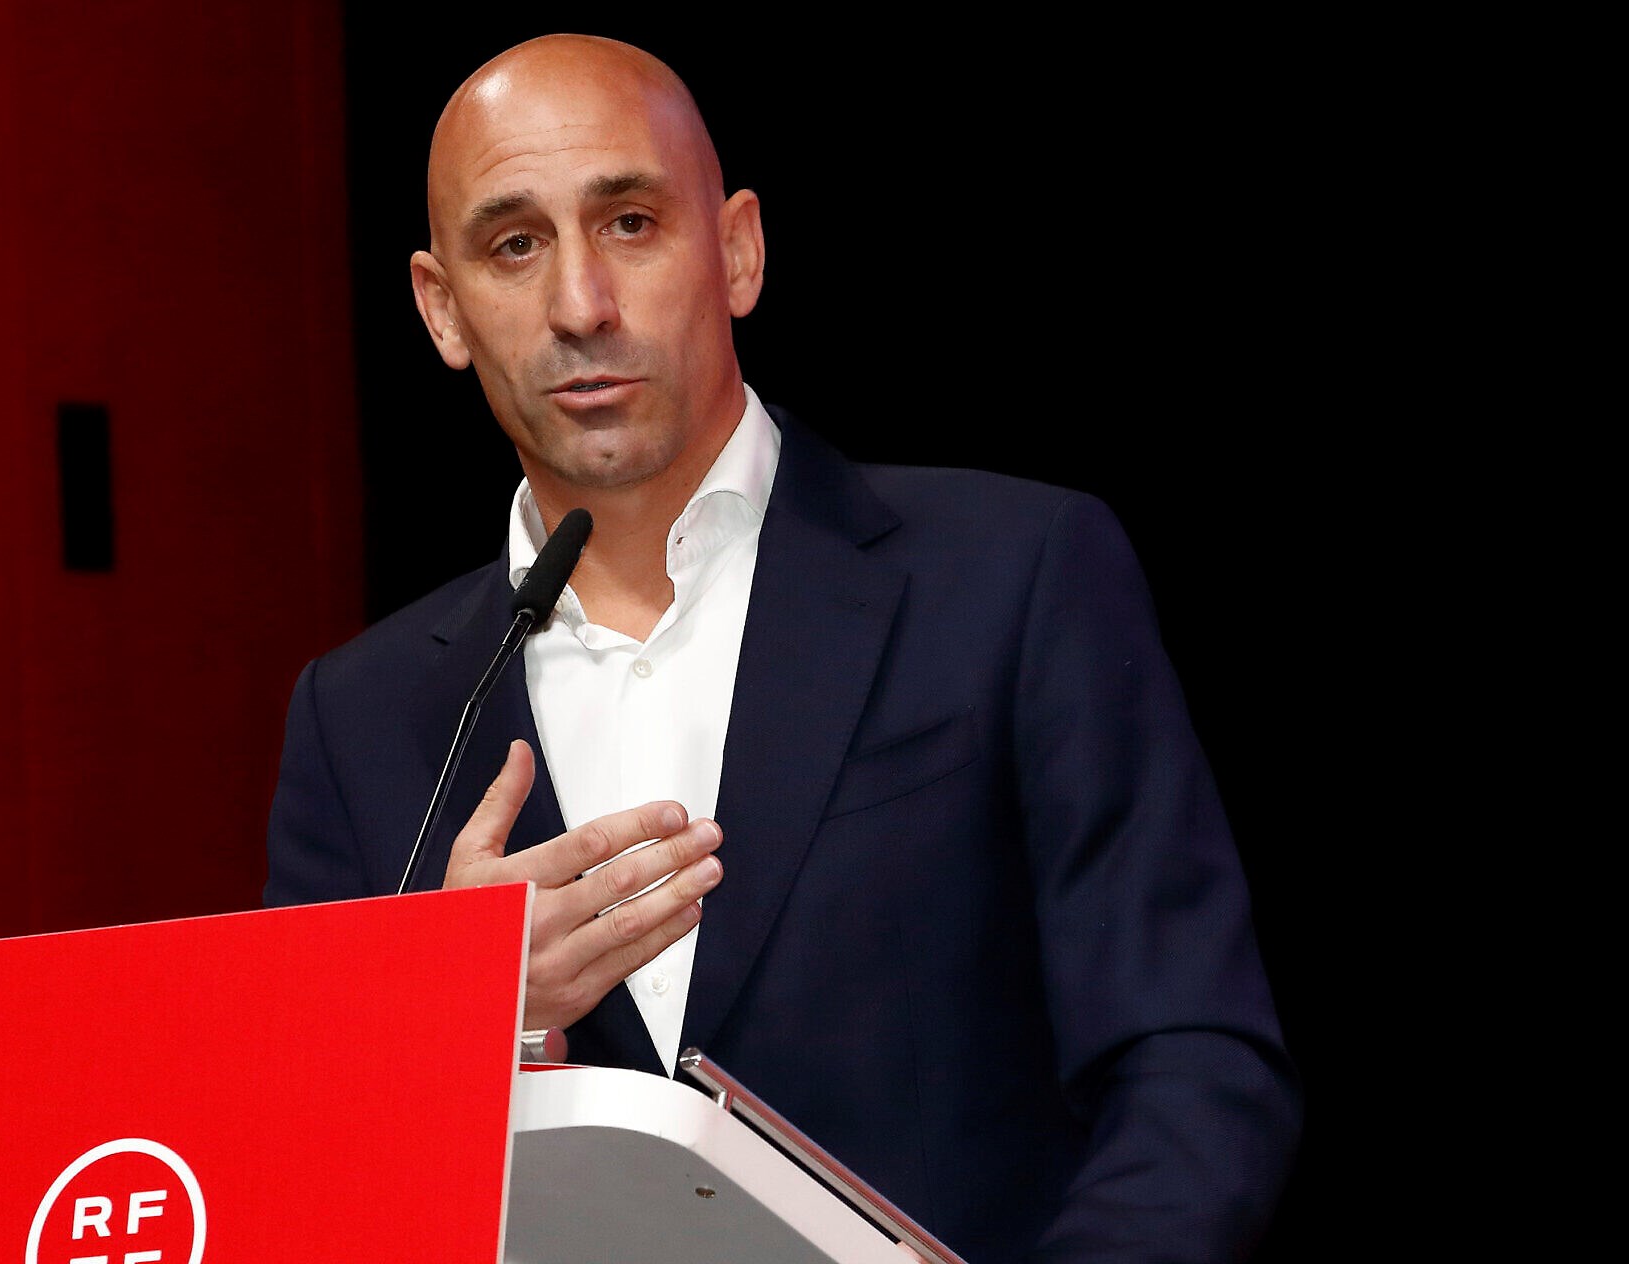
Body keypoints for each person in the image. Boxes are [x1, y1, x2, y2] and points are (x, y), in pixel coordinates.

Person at [265, 33, 1299, 1261]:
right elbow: (296, 1172)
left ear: (738, 249)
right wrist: (451, 1014)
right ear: (443, 309)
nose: (580, 305)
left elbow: (1191, 1067)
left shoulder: (1015, 577)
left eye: (632, 224)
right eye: (514, 245)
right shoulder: (361, 718)